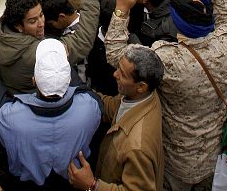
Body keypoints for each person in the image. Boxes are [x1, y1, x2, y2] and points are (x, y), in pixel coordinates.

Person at [104, 0, 227, 190]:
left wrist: (121, 10)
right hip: (214, 155)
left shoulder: (164, 56)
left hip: (174, 160)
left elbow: (115, 54)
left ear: (176, 20)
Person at [0, 39, 101, 188]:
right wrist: (64, 63)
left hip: (26, 183)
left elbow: (1, 100)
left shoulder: (10, 117)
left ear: (33, 81)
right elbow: (83, 88)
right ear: (69, 79)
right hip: (73, 181)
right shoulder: (90, 107)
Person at [0, 0, 100, 94]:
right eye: (32, 21)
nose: (41, 23)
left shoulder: (1, 33)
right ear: (18, 26)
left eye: (41, 15)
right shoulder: (39, 54)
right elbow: (81, 42)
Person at [67, 45, 164, 191]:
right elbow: (112, 107)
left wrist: (92, 185)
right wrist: (79, 91)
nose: (115, 74)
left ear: (141, 86)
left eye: (123, 74)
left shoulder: (137, 147)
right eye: (118, 67)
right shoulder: (141, 97)